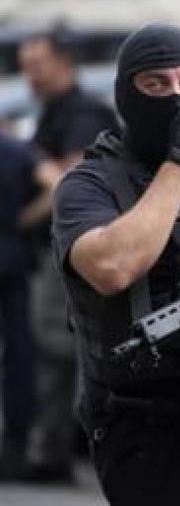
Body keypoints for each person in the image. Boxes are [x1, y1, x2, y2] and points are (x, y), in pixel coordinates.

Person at [51, 23, 180, 505]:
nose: (177, 98)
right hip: (146, 425)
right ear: (125, 93)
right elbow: (112, 266)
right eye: (156, 84)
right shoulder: (87, 185)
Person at [18, 26, 119, 483]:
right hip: (57, 252)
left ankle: (59, 451)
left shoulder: (83, 112)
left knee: (61, 356)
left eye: (36, 65)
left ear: (63, 62)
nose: (29, 75)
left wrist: (23, 216)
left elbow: (67, 182)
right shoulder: (51, 112)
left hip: (74, 253)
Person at [0, 133, 57, 480]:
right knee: (20, 354)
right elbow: (57, 182)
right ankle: (15, 449)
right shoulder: (16, 150)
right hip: (11, 256)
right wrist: (22, 220)